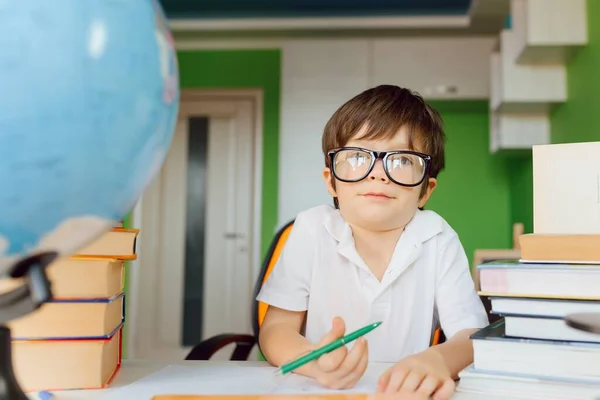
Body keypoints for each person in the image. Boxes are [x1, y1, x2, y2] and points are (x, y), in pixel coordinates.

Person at [256, 85, 489, 400]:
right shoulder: (311, 229)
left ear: (425, 190)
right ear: (331, 181)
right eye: (357, 156)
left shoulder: (438, 237)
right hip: (317, 391)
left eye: (403, 160)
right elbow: (275, 331)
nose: (379, 173)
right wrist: (312, 360)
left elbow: (472, 335)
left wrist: (438, 360)